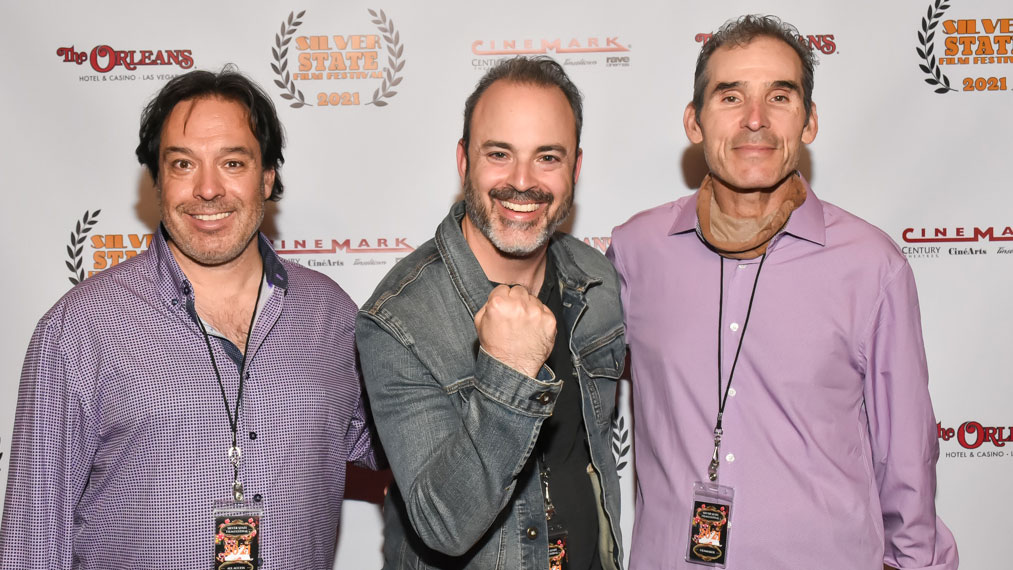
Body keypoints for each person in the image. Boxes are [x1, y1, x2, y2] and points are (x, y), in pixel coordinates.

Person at [607, 15, 959, 570]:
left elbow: (908, 461)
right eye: (730, 96)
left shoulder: (872, 266)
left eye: (779, 96)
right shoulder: (635, 252)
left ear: (809, 121)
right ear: (694, 122)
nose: (754, 120)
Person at [0, 68, 378, 569]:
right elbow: (34, 538)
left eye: (232, 163)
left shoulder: (330, 315)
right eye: (182, 164)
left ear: (266, 177)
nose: (207, 189)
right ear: (157, 179)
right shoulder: (78, 329)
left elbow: (409, 453)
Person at [357, 56, 626, 570]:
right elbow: (445, 526)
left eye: (547, 157)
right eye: (499, 154)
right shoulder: (400, 320)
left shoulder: (597, 281)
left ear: (575, 167)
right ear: (464, 162)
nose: (522, 181)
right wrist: (508, 371)